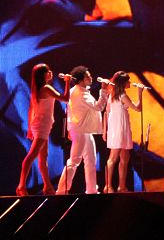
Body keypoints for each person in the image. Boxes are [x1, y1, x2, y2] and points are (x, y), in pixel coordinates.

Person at [16, 63, 71, 196]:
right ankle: (21, 186)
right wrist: (67, 82)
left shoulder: (40, 89)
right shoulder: (46, 88)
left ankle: (47, 186)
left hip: (42, 125)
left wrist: (30, 128)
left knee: (42, 157)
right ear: (43, 75)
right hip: (41, 126)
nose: (50, 72)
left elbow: (31, 109)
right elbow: (65, 98)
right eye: (47, 71)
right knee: (32, 155)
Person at [56, 66, 109, 194]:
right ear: (80, 80)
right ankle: (61, 190)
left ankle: (91, 190)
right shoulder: (81, 93)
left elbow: (68, 111)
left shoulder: (76, 90)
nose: (90, 78)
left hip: (83, 130)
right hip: (80, 131)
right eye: (87, 76)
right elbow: (98, 107)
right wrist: (103, 91)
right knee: (74, 160)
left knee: (90, 160)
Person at [103, 71, 144, 193]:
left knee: (125, 158)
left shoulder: (115, 95)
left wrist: (105, 130)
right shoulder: (121, 96)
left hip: (122, 128)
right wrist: (140, 93)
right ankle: (108, 186)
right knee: (113, 158)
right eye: (128, 81)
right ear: (123, 83)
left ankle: (122, 186)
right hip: (118, 129)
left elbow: (107, 112)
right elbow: (138, 108)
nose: (130, 83)